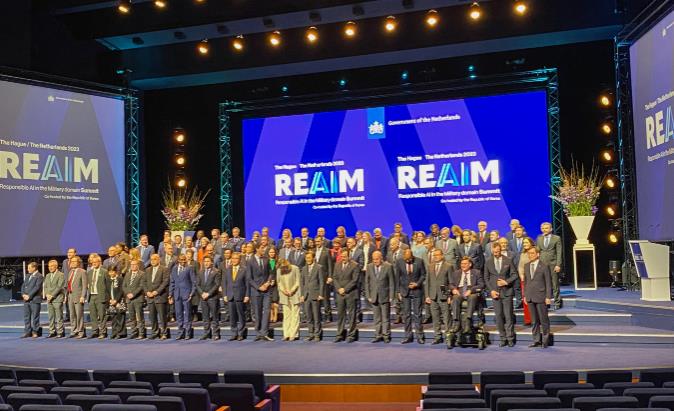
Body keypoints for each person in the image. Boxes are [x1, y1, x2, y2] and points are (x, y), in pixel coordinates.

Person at [484, 242, 518, 347]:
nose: (496, 254)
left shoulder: (508, 260)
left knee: (508, 316)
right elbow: (486, 278)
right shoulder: (488, 262)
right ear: (492, 251)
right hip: (495, 293)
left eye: (498, 252)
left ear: (501, 250)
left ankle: (510, 338)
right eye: (494, 252)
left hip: (507, 292)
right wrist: (491, 291)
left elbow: (514, 275)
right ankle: (503, 338)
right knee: (498, 316)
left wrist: (506, 282)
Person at [448, 257, 484, 344]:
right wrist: (453, 289)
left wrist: (471, 290)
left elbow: (481, 284)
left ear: (470, 264)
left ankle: (468, 321)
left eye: (465, 264)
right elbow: (451, 284)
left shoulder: (476, 272)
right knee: (455, 298)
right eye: (462, 264)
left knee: (472, 297)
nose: (463, 265)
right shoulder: (456, 273)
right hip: (460, 291)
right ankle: (456, 322)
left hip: (471, 291)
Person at [524, 247, 552, 348]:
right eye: (529, 253)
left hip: (541, 296)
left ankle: (545, 341)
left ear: (537, 254)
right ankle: (536, 340)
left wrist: (548, 296)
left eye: (532, 253)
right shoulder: (526, 266)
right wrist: (525, 295)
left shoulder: (544, 266)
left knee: (543, 320)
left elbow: (548, 282)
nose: (530, 255)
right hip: (530, 296)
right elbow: (526, 282)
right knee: (534, 321)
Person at [365, 251, 396, 343]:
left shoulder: (388, 266)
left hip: (385, 296)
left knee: (385, 318)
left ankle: (386, 335)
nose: (375, 261)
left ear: (381, 258)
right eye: (373, 259)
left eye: (377, 259)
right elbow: (367, 282)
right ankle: (377, 335)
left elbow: (392, 282)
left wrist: (391, 296)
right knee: (377, 318)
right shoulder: (369, 266)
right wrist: (368, 295)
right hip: (374, 296)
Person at [329, 249, 360, 343]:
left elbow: (354, 280)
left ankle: (351, 335)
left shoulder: (355, 265)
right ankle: (340, 334)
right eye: (342, 256)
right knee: (340, 315)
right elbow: (335, 278)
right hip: (339, 294)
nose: (343, 258)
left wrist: (345, 289)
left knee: (351, 315)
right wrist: (339, 289)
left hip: (350, 293)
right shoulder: (337, 264)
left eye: (345, 256)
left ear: (349, 256)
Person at [396, 249, 426, 344]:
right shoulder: (399, 262)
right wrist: (398, 291)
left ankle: (419, 336)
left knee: (417, 314)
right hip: (404, 291)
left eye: (409, 259)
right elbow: (397, 277)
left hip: (417, 290)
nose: (407, 260)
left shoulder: (419, 261)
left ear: (412, 256)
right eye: (406, 259)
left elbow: (423, 275)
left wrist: (417, 283)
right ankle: (407, 336)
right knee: (406, 315)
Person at [424, 249, 451, 345]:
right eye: (434, 255)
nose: (435, 256)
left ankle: (448, 336)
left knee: (446, 318)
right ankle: (437, 336)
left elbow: (451, 282)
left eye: (437, 255)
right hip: (433, 296)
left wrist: (449, 295)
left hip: (444, 295)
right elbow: (427, 282)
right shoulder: (430, 266)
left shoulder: (448, 266)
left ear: (442, 255)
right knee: (435, 318)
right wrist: (427, 295)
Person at [249, 246, 274, 341]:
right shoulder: (250, 261)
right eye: (262, 248)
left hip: (267, 290)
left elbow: (271, 272)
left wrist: (267, 283)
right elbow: (249, 278)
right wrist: (258, 287)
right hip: (256, 290)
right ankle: (258, 333)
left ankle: (265, 333)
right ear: (257, 249)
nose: (263, 250)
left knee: (267, 310)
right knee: (257, 312)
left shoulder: (268, 260)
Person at [222, 252, 249, 340]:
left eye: (236, 258)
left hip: (240, 295)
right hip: (230, 295)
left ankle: (241, 333)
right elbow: (224, 283)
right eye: (233, 258)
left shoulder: (244, 269)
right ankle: (234, 333)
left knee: (241, 315)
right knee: (232, 316)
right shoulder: (227, 269)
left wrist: (247, 295)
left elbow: (247, 283)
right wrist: (224, 294)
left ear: (240, 260)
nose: (234, 260)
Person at [300, 251, 326, 342]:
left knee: (316, 316)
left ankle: (317, 335)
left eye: (309, 258)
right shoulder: (304, 269)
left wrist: (321, 294)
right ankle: (310, 333)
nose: (307, 259)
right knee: (309, 316)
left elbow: (322, 282)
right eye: (306, 258)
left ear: (313, 258)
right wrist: (302, 295)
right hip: (306, 296)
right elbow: (302, 282)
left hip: (315, 295)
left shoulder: (319, 267)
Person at [536, 222, 563, 309]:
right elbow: (537, 251)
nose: (544, 230)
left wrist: (558, 265)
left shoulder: (556, 238)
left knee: (555, 284)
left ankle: (557, 302)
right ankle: (545, 301)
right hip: (542, 264)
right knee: (543, 284)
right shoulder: (539, 238)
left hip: (553, 264)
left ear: (551, 229)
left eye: (546, 228)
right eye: (543, 228)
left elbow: (559, 252)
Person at [170, 254, 197, 340]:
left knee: (188, 314)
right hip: (177, 295)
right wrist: (170, 294)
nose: (183, 261)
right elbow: (172, 282)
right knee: (179, 315)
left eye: (184, 259)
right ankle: (180, 332)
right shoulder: (174, 268)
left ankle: (188, 333)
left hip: (186, 295)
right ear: (178, 260)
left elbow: (194, 282)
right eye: (181, 260)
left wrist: (191, 293)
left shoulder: (189, 268)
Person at [196, 255, 222, 340]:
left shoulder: (216, 271)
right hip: (203, 297)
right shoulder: (200, 272)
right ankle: (206, 333)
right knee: (205, 317)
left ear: (211, 262)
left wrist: (208, 294)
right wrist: (202, 293)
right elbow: (197, 284)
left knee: (214, 317)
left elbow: (217, 285)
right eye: (205, 261)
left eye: (208, 261)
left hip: (212, 297)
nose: (206, 263)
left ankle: (215, 333)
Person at [145, 253, 170, 340]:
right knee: (152, 317)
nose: (152, 261)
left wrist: (157, 291)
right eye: (151, 259)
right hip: (150, 297)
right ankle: (154, 332)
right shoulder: (147, 270)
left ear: (159, 260)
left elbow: (165, 282)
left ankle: (164, 333)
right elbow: (144, 282)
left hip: (160, 296)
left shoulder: (164, 269)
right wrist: (147, 292)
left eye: (155, 259)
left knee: (162, 317)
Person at [277, 258, 301, 341]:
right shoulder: (279, 270)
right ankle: (286, 334)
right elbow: (279, 282)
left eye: (284, 266)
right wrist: (283, 290)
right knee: (286, 315)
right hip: (284, 295)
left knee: (295, 315)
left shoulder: (295, 268)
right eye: (281, 266)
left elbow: (298, 281)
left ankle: (293, 334)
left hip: (294, 294)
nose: (283, 268)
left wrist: (292, 290)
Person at [86, 255, 109, 339]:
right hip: (91, 296)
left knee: (102, 315)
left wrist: (108, 297)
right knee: (93, 315)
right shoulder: (90, 272)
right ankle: (95, 331)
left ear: (100, 262)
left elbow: (108, 285)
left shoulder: (104, 272)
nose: (94, 263)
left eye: (96, 262)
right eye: (93, 262)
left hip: (101, 296)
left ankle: (103, 332)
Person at [124, 259, 146, 339]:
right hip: (129, 299)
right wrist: (128, 293)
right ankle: (133, 332)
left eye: (134, 264)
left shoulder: (142, 274)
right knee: (132, 317)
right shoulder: (127, 274)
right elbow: (124, 286)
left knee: (140, 317)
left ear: (138, 265)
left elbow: (141, 286)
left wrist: (133, 294)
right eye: (131, 265)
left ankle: (141, 333)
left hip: (138, 298)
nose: (133, 266)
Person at [66, 256, 87, 338]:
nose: (72, 263)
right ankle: (74, 330)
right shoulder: (70, 272)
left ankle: (81, 332)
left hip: (78, 296)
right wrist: (67, 295)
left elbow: (84, 286)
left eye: (74, 261)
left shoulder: (82, 272)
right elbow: (69, 284)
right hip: (70, 295)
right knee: (72, 315)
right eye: (71, 261)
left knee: (79, 315)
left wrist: (83, 296)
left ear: (78, 263)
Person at [516, 237, 536, 325]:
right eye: (524, 243)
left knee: (534, 298)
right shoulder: (522, 254)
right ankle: (528, 320)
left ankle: (536, 319)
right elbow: (520, 266)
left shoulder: (535, 252)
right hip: (524, 279)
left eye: (526, 242)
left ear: (531, 243)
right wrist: (521, 275)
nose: (525, 244)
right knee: (526, 299)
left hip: (534, 279)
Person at [21, 262, 43, 338]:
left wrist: (29, 296)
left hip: (35, 299)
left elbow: (37, 287)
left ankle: (35, 331)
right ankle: (27, 331)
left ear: (34, 268)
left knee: (35, 316)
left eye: (29, 268)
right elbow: (23, 285)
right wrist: (23, 294)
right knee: (26, 316)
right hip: (26, 300)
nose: (28, 269)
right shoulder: (28, 275)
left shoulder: (39, 276)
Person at [44, 259, 65, 338]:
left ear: (56, 266)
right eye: (49, 266)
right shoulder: (47, 275)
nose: (50, 268)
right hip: (49, 299)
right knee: (51, 317)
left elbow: (59, 287)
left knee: (59, 317)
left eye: (52, 266)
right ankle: (52, 331)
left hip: (57, 299)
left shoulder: (61, 275)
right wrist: (47, 294)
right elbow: (45, 286)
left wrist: (52, 295)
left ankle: (60, 332)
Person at [107, 267, 127, 339]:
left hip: (119, 301)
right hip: (111, 301)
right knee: (113, 317)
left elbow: (121, 290)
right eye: (110, 272)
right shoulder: (108, 280)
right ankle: (114, 332)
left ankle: (121, 333)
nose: (111, 273)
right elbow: (107, 291)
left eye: (112, 271)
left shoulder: (120, 279)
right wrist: (109, 300)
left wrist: (116, 300)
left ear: (115, 272)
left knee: (120, 317)